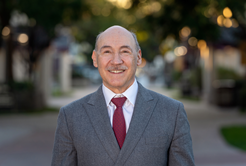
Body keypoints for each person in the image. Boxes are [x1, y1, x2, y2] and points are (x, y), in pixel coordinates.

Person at [51, 25, 195, 166]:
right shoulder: (70, 116)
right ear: (95, 59)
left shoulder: (172, 113)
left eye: (125, 51)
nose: (116, 61)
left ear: (138, 57)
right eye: (107, 52)